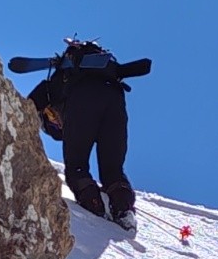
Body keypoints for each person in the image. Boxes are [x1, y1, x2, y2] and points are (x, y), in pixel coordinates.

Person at [13, 39, 151, 230]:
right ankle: (124, 210)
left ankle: (93, 206)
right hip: (116, 102)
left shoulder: (56, 81)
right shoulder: (105, 75)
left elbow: (25, 110)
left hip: (82, 101)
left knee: (76, 166)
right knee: (114, 170)